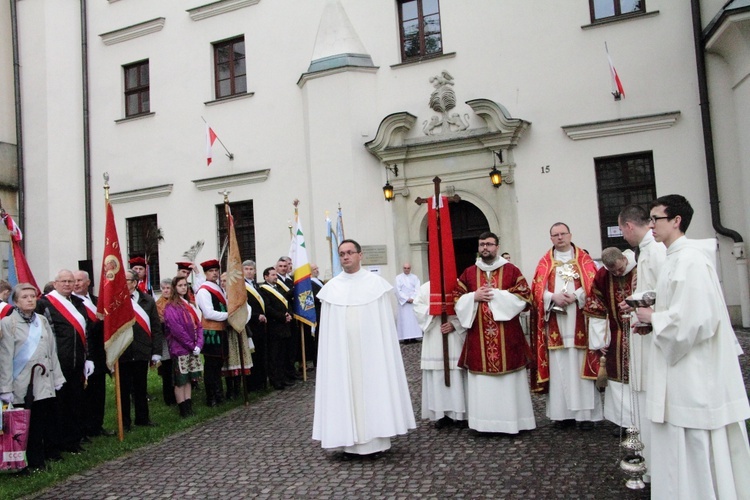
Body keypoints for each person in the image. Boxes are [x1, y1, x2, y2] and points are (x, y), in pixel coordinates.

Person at [634, 194, 750, 498]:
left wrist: (655, 318)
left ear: (676, 221)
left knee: (696, 440)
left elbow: (699, 319)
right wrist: (653, 321)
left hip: (695, 371)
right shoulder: (675, 257)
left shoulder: (691, 260)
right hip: (679, 365)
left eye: (656, 219)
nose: (651, 225)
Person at [312, 239, 416, 457]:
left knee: (374, 389)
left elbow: (387, 321)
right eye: (342, 254)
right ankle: (347, 442)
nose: (346, 257)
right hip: (342, 354)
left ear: (360, 255)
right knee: (345, 390)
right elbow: (328, 330)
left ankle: (376, 442)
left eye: (350, 252)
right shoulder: (332, 289)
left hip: (372, 352)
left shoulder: (375, 284)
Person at [454, 232, 536, 434]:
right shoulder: (469, 272)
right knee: (482, 384)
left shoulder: (511, 271)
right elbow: (457, 297)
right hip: (478, 337)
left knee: (509, 381)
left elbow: (525, 296)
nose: (485, 248)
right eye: (482, 244)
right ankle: (483, 424)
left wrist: (496, 295)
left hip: (507, 337)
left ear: (497, 247)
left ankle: (514, 422)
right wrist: (474, 296)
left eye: (489, 244)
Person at [532, 223, 601, 429]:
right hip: (556, 324)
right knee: (559, 367)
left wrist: (577, 295)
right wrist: (553, 297)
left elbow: (594, 285)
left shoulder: (584, 260)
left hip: (580, 320)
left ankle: (586, 417)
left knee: (581, 368)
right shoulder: (545, 263)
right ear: (551, 238)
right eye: (555, 235)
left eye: (563, 234)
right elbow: (536, 290)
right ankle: (562, 415)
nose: (560, 237)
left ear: (570, 235)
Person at [617, 203, 667, 479]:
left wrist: (647, 312)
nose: (623, 237)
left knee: (651, 396)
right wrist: (633, 303)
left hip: (654, 338)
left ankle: (655, 467)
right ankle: (650, 464)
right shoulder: (646, 251)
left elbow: (666, 294)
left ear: (628, 226)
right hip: (645, 333)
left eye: (623, 230)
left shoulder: (656, 251)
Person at [0, 283, 66, 471]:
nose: (30, 299)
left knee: (39, 423)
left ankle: (38, 461)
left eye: (32, 296)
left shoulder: (42, 321)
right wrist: (5, 389)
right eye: (25, 297)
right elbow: (5, 358)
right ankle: (19, 463)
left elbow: (52, 351)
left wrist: (57, 378)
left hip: (43, 381)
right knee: (21, 426)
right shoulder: (8, 323)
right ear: (15, 302)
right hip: (20, 383)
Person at [36, 269, 92, 453]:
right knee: (57, 406)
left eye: (70, 281)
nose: (68, 284)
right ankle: (55, 444)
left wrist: (88, 357)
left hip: (77, 361)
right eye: (64, 281)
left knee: (74, 403)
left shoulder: (77, 303)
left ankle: (72, 440)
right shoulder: (45, 303)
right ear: (55, 283)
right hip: (57, 362)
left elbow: (86, 332)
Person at [582, 247, 637, 431]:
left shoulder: (640, 269)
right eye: (612, 271)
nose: (617, 273)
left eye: (620, 269)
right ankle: (622, 421)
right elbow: (596, 308)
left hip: (640, 331)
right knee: (616, 379)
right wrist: (599, 341)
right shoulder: (603, 277)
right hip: (616, 334)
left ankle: (640, 420)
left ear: (624, 259)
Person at [413, 281, 468, 429]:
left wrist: (455, 324)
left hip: (454, 337)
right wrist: (434, 309)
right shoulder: (425, 288)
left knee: (457, 375)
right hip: (435, 337)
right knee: (438, 376)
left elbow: (469, 309)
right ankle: (442, 414)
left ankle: (462, 415)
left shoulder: (458, 286)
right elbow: (417, 308)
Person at [120, 269, 163, 430]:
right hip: (123, 351)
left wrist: (156, 351)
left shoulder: (148, 300)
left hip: (141, 350)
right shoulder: (117, 300)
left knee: (140, 387)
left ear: (135, 282)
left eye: (127, 280)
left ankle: (142, 418)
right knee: (124, 389)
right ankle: (124, 422)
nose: (124, 283)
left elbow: (156, 328)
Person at [72, 270, 112, 437]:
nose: (76, 283)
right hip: (84, 355)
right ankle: (83, 428)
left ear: (88, 282)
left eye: (80, 280)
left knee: (98, 393)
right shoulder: (72, 303)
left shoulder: (97, 301)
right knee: (83, 395)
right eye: (74, 281)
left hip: (100, 354)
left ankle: (97, 425)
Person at [163, 275, 204, 418]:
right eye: (180, 285)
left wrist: (199, 343)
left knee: (188, 380)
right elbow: (176, 330)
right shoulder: (171, 306)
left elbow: (198, 325)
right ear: (175, 288)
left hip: (192, 347)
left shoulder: (189, 304)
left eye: (185, 285)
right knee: (180, 381)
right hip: (180, 349)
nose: (183, 287)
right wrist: (191, 345)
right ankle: (183, 410)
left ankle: (189, 405)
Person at [195, 259, 228, 407]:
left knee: (218, 365)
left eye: (216, 271)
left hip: (221, 330)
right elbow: (208, 313)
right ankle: (211, 397)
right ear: (206, 273)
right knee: (211, 366)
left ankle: (218, 394)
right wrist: (229, 315)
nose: (214, 273)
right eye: (211, 271)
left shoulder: (218, 288)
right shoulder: (203, 291)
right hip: (211, 332)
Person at [259, 267, 293, 391]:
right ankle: (275, 380)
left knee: (282, 354)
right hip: (274, 326)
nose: (275, 277)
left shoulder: (278, 288)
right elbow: (268, 308)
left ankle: (283, 377)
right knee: (274, 355)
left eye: (275, 275)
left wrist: (289, 314)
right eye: (272, 275)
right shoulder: (263, 290)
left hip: (284, 326)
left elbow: (286, 302)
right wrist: (282, 317)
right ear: (266, 277)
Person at [244, 260, 268, 391]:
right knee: (253, 355)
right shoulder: (241, 286)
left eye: (251, 269)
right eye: (246, 269)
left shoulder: (255, 285)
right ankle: (253, 385)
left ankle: (261, 382)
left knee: (261, 354)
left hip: (261, 325)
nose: (249, 271)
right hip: (251, 324)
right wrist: (255, 316)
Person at [155, 278, 177, 406]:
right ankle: (168, 398)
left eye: (168, 288)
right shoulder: (158, 304)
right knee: (167, 371)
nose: (165, 291)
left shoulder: (176, 302)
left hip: (177, 340)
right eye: (163, 288)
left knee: (176, 370)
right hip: (165, 340)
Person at [394, 263, 422, 343]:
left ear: (410, 268)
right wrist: (406, 299)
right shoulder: (398, 278)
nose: (406, 269)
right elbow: (397, 290)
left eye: (408, 268)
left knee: (413, 320)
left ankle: (414, 336)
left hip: (412, 302)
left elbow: (418, 289)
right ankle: (405, 338)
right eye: (405, 268)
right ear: (403, 268)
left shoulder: (415, 277)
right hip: (403, 303)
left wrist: (413, 298)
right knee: (404, 320)